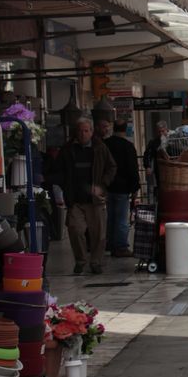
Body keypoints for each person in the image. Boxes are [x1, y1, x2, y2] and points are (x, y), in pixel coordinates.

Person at [53, 115, 116, 275]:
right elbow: (58, 170)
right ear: (76, 132)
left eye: (86, 131)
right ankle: (81, 260)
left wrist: (102, 184)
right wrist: (63, 185)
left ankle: (96, 262)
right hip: (75, 199)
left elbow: (111, 167)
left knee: (98, 233)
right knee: (75, 229)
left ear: (91, 132)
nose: (83, 134)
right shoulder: (67, 149)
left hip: (95, 199)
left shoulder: (100, 148)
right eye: (80, 131)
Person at [103, 120, 140, 256]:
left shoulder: (105, 144)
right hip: (123, 187)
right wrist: (135, 188)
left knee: (110, 217)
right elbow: (132, 169)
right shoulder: (128, 147)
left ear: (113, 128)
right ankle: (120, 247)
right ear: (125, 129)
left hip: (107, 186)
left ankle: (110, 243)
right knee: (122, 219)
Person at [143, 120, 169, 197]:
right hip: (159, 169)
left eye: (162, 131)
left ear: (166, 130)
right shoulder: (154, 142)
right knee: (160, 187)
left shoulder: (172, 139)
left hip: (171, 168)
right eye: (159, 132)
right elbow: (148, 154)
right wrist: (148, 166)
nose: (161, 133)